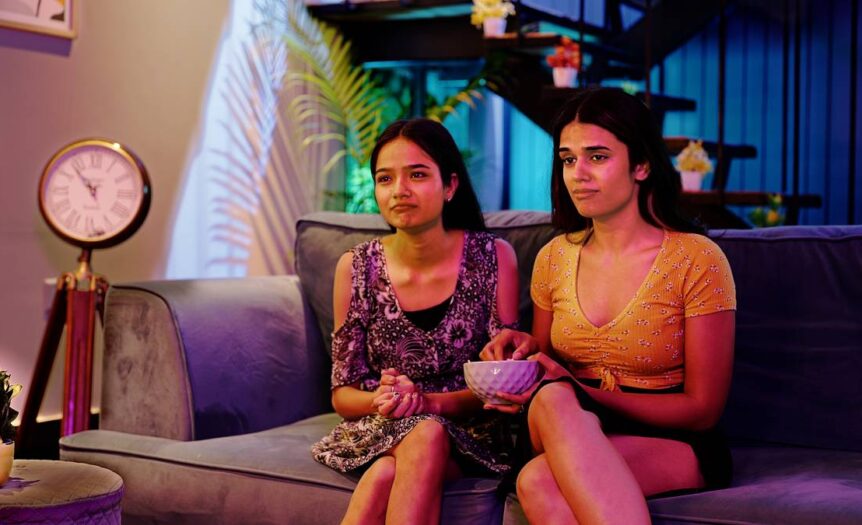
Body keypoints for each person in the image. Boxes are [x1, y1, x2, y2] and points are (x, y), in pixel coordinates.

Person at [481, 87, 736, 525]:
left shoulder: (697, 259)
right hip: (565, 420)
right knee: (551, 400)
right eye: (567, 159)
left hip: (669, 436)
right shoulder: (554, 257)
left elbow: (703, 409)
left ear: (641, 165)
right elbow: (546, 365)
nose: (578, 173)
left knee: (539, 481)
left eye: (597, 157)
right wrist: (519, 357)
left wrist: (584, 392)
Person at [311, 118, 520, 525]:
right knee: (412, 442)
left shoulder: (494, 257)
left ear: (450, 185)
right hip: (382, 425)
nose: (399, 190)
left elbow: (502, 385)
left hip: (471, 431)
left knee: (407, 452)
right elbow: (342, 395)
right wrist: (389, 401)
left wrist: (428, 404)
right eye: (385, 179)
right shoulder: (354, 268)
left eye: (417, 175)